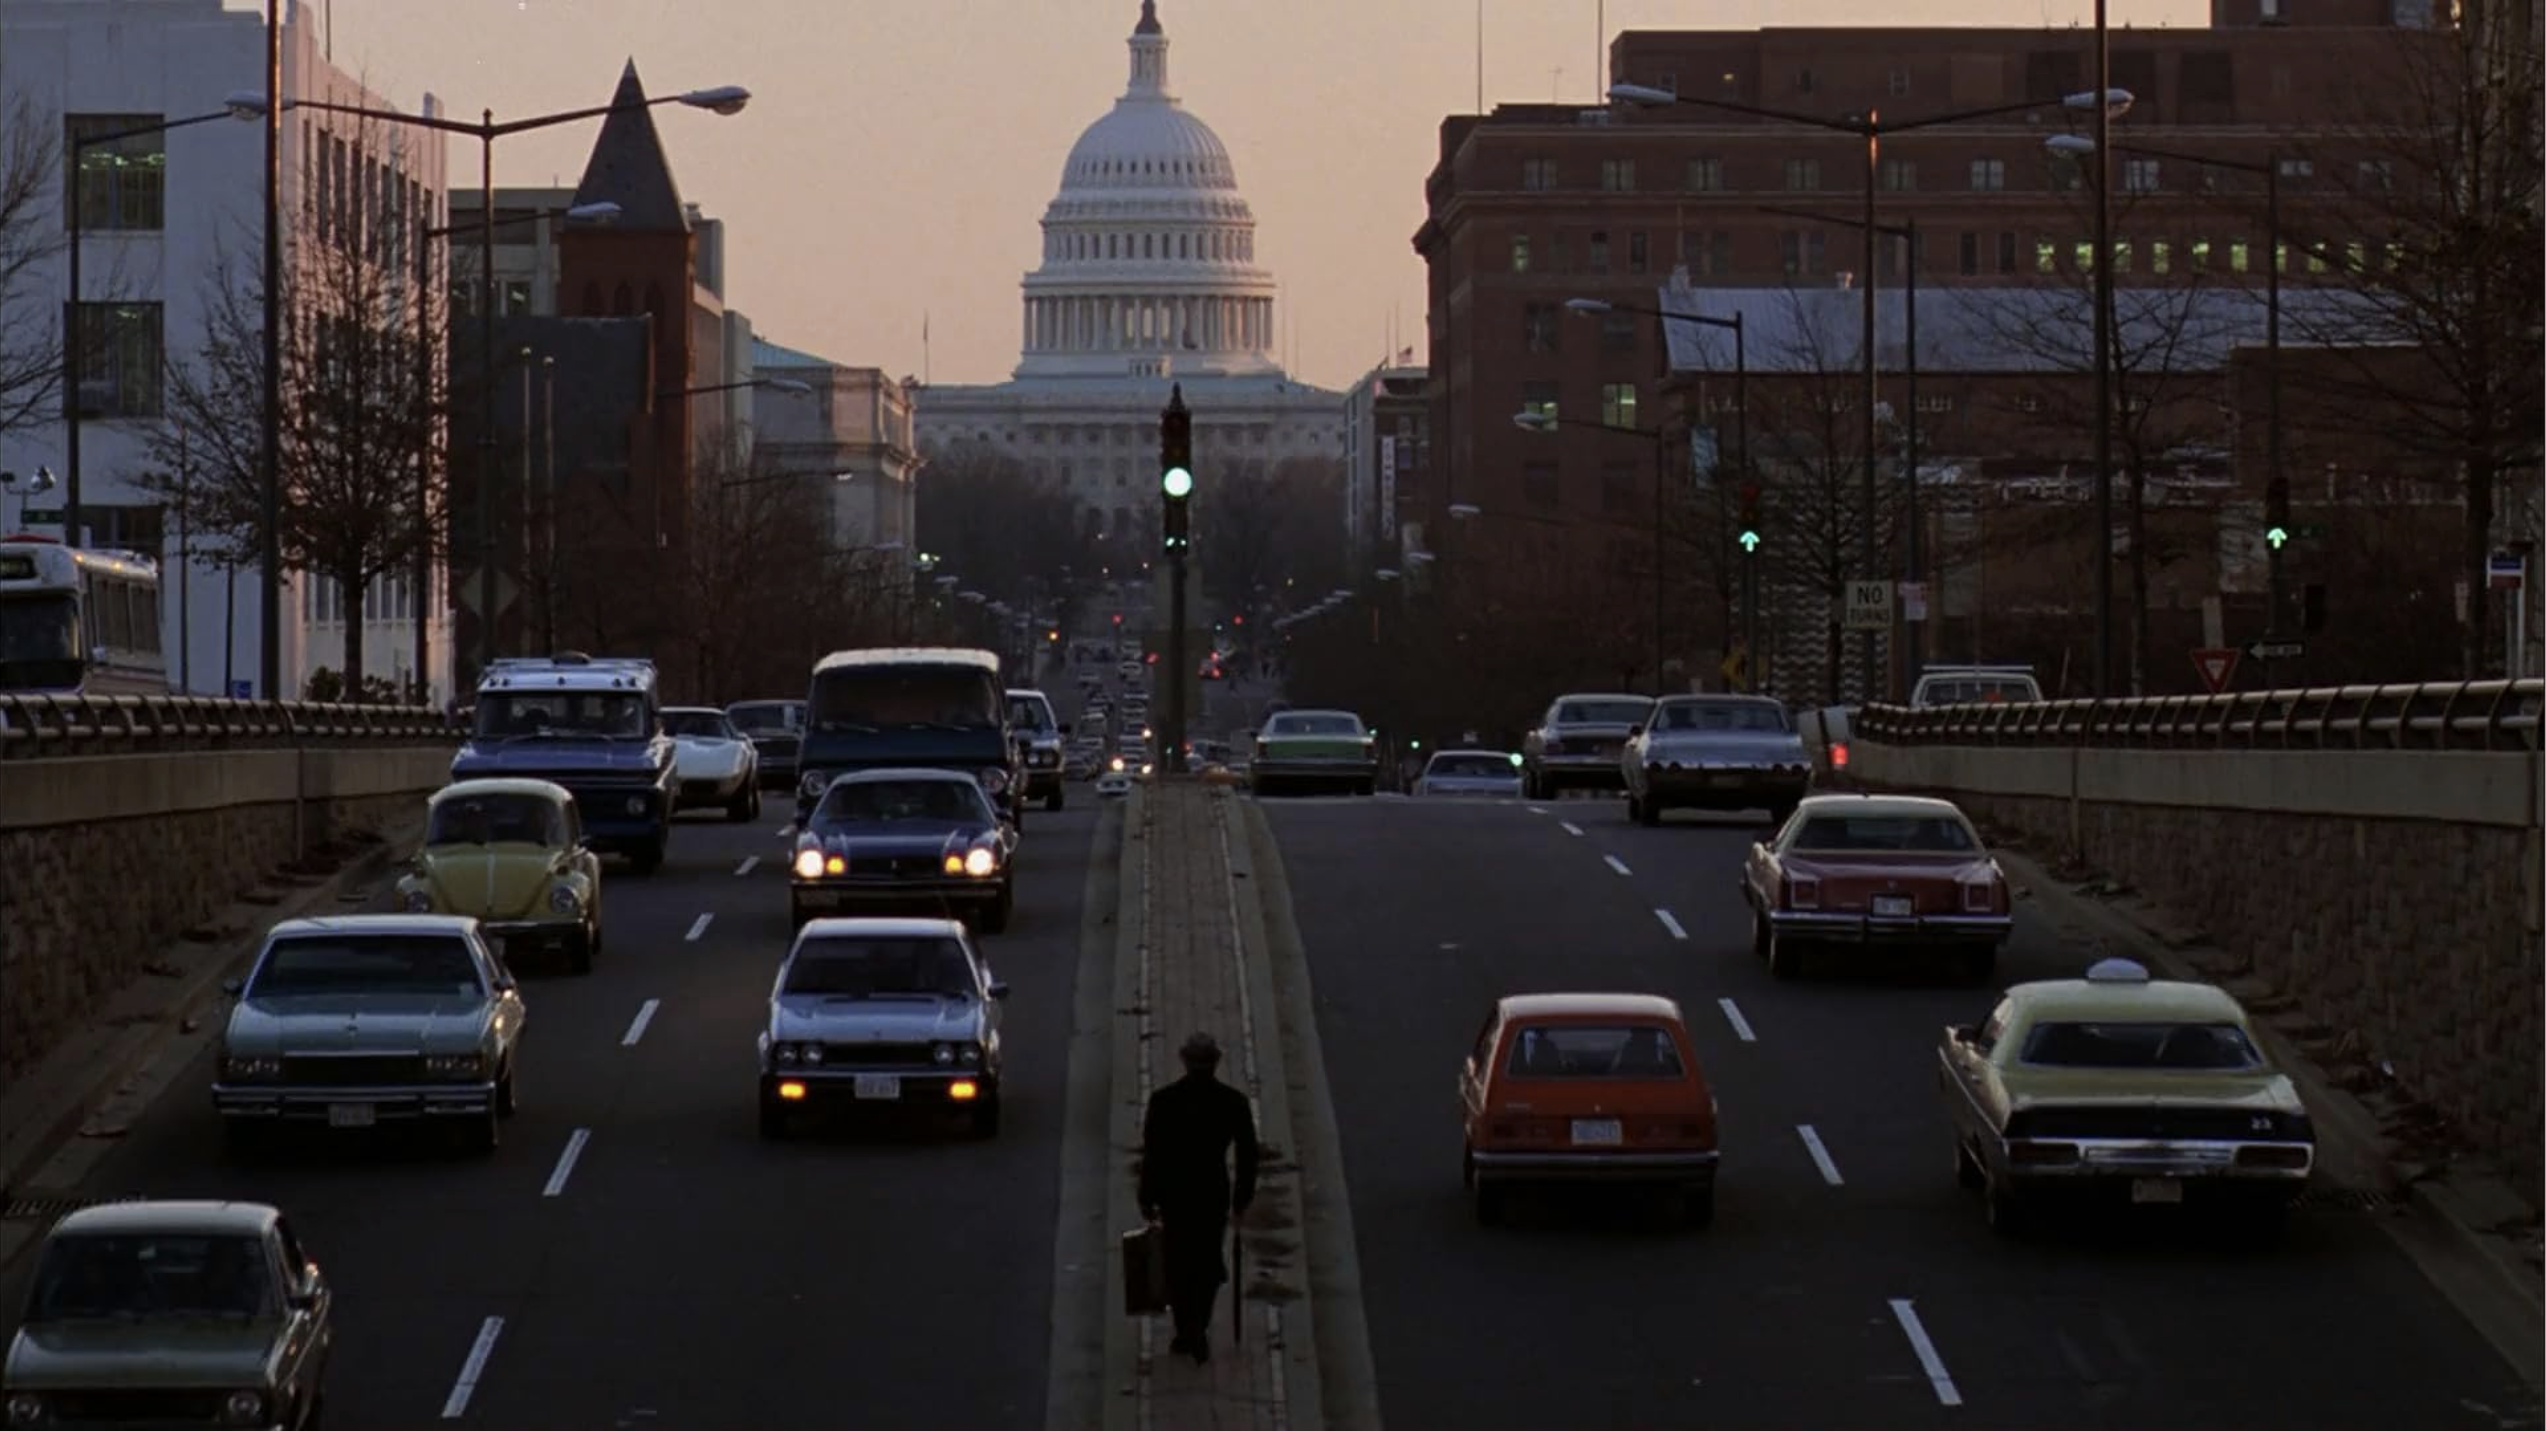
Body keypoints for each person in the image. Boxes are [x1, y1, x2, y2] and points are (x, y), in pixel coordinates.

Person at [1137, 1031, 1259, 1364]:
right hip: (1212, 1194)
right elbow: (1249, 1155)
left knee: (1177, 1263)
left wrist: (1146, 1198)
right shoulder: (1232, 1103)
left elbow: (1153, 1154)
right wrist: (1241, 1201)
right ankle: (1197, 1327)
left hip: (1175, 1194)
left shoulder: (1164, 1101)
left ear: (1185, 1062)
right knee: (1206, 1262)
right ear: (1216, 1063)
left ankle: (1185, 1329)